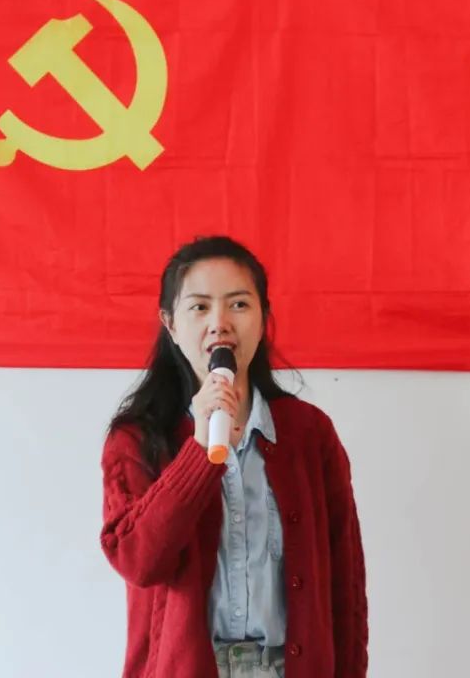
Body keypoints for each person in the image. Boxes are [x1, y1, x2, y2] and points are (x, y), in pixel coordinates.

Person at [100, 236, 368, 678]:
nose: (219, 323)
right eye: (199, 307)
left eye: (239, 305)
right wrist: (199, 450)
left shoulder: (310, 434)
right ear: (170, 324)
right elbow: (137, 561)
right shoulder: (137, 438)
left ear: (263, 318)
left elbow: (346, 584)